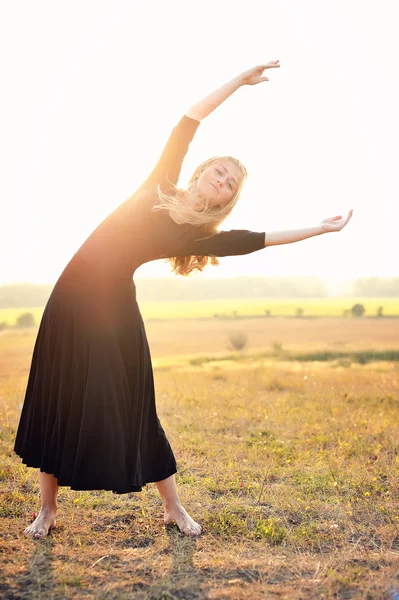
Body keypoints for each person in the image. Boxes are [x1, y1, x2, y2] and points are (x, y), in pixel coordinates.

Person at [14, 60, 353, 539]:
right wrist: (238, 81)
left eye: (231, 183)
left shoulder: (196, 236)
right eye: (219, 171)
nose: (223, 180)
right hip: (71, 299)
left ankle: (173, 507)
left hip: (115, 313)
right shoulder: (159, 183)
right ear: (199, 173)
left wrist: (319, 229)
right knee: (60, 395)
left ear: (225, 199)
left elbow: (256, 238)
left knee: (137, 406)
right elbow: (189, 120)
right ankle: (46, 510)